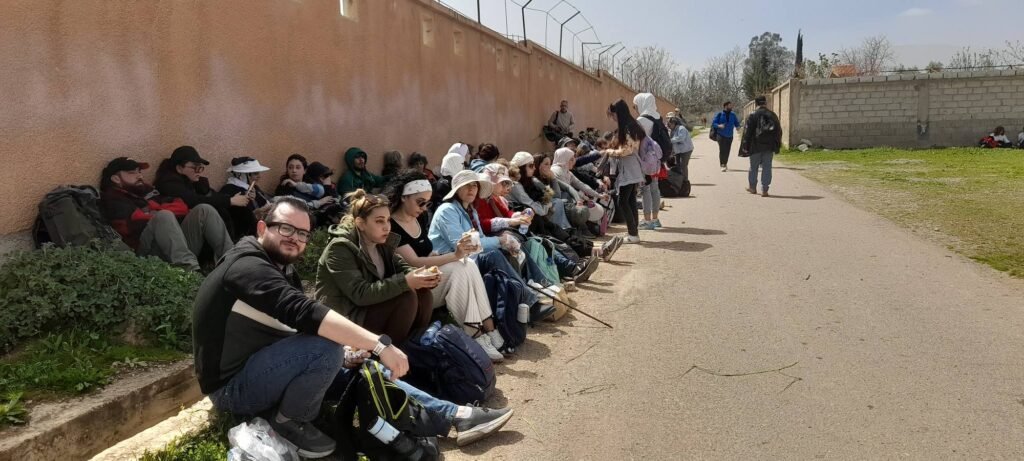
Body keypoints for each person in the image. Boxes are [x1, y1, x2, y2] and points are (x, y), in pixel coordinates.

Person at [193, 196, 513, 457]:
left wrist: (350, 353)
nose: (295, 238)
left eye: (302, 233)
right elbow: (305, 312)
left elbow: (290, 328)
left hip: (270, 366)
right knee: (329, 346)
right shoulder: (247, 265)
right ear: (263, 227)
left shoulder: (279, 267)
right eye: (286, 229)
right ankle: (290, 421)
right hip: (232, 388)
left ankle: (454, 416)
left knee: (364, 369)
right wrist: (379, 344)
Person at [386, 171, 506, 362]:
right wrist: (454, 255)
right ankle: (475, 334)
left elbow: (426, 253)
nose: (424, 208)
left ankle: (488, 328)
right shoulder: (391, 225)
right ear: (403, 197)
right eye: (420, 202)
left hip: (428, 278)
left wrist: (440, 255)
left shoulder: (418, 217)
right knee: (460, 267)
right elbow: (413, 262)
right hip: (412, 288)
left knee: (466, 264)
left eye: (427, 203)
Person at [428, 170, 552, 322]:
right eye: (466, 186)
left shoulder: (470, 210)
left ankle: (525, 299)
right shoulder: (447, 210)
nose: (471, 189)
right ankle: (530, 303)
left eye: (474, 185)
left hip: (467, 259)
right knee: (494, 254)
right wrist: (499, 240)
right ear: (457, 190)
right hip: (449, 262)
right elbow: (463, 245)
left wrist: (503, 242)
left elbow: (480, 239)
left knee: (506, 249)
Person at [314, 190, 435, 345]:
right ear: (361, 223)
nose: (387, 227)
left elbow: (402, 267)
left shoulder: (381, 243)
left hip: (368, 310)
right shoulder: (340, 248)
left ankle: (415, 346)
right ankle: (388, 354)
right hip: (345, 320)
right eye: (379, 221)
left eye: (388, 220)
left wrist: (423, 277)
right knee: (406, 296)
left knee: (422, 292)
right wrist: (406, 281)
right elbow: (360, 294)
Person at [99, 157, 232, 272]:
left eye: (139, 171)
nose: (139, 176)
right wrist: (159, 212)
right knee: (164, 216)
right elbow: (133, 226)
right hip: (146, 254)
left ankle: (232, 261)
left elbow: (181, 206)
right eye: (132, 173)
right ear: (116, 178)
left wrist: (153, 210)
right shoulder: (113, 198)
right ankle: (189, 273)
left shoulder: (146, 190)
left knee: (203, 210)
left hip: (174, 247)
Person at [154, 145, 249, 238]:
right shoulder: (168, 183)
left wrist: (233, 199)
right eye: (195, 168)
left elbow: (213, 196)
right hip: (179, 234)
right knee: (206, 208)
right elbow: (193, 200)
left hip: (193, 230)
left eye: (200, 168)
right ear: (179, 168)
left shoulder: (194, 182)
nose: (199, 171)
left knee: (233, 208)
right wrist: (229, 201)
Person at [601, 99, 647, 244]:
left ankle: (633, 234)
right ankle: (634, 232)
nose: (613, 118)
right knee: (630, 200)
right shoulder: (632, 125)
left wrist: (609, 151)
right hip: (632, 167)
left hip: (629, 167)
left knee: (623, 202)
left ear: (619, 113)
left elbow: (627, 150)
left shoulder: (628, 127)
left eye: (613, 115)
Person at [508, 151, 572, 239]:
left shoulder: (531, 180)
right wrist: (547, 205)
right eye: (531, 166)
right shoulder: (515, 185)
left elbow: (553, 194)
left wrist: (552, 178)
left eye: (534, 165)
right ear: (522, 168)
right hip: (522, 219)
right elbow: (534, 206)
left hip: (534, 215)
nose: (534, 168)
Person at [275, 154, 340, 227]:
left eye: (298, 167)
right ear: (287, 170)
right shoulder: (283, 188)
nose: (294, 170)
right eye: (290, 168)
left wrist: (327, 186)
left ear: (304, 170)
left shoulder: (310, 183)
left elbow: (329, 197)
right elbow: (294, 208)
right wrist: (319, 203)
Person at [219, 157, 273, 238]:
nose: (259, 176)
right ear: (242, 175)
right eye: (255, 173)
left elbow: (267, 205)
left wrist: (257, 198)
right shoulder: (228, 190)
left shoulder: (254, 188)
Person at [740, 95, 783, 197]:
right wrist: (777, 145)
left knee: (753, 167)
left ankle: (752, 187)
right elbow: (778, 131)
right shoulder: (772, 115)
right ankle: (765, 190)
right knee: (767, 167)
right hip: (769, 146)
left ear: (756, 103)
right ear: (765, 103)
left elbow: (747, 132)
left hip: (755, 146)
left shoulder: (752, 115)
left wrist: (745, 146)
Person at [633, 93, 665, 230]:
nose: (635, 108)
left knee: (645, 189)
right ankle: (655, 219)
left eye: (635, 105)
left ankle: (647, 220)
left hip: (645, 160)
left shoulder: (641, 120)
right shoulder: (658, 117)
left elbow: (636, 140)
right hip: (656, 159)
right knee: (655, 188)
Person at [434, 144, 469, 208]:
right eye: (461, 164)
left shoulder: (452, 180)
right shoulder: (445, 184)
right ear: (454, 164)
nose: (463, 167)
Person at [711, 101, 742, 171]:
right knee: (722, 150)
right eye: (730, 105)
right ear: (726, 106)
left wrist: (738, 127)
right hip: (720, 135)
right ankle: (722, 164)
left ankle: (725, 163)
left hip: (730, 135)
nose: (731, 107)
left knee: (727, 150)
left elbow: (736, 123)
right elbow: (714, 123)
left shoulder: (733, 115)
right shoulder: (719, 114)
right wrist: (719, 125)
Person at [668, 115, 695, 183]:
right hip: (679, 151)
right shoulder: (673, 130)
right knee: (678, 165)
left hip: (686, 150)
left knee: (683, 165)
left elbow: (681, 138)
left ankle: (685, 181)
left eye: (670, 124)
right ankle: (680, 180)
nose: (669, 126)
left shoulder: (681, 128)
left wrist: (669, 140)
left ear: (674, 123)